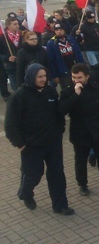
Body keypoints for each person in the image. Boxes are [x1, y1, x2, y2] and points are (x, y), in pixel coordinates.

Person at [5, 63, 74, 215]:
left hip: (53, 141)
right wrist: (20, 144)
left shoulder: (50, 91)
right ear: (31, 77)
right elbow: (10, 125)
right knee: (33, 175)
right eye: (40, 77)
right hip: (31, 145)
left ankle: (60, 205)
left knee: (57, 174)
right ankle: (26, 193)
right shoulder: (19, 96)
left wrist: (60, 129)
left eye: (45, 76)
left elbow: (58, 112)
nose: (44, 79)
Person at [59, 63, 99, 208]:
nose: (76, 80)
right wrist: (75, 94)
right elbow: (62, 110)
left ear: (87, 77)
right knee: (80, 161)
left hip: (98, 132)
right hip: (80, 133)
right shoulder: (68, 92)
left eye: (80, 78)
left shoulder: (97, 88)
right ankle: (82, 184)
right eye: (74, 77)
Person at [46, 22, 85, 91]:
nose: (59, 31)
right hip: (63, 72)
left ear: (64, 30)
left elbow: (78, 53)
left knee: (81, 87)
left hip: (75, 68)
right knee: (68, 90)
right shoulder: (51, 43)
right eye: (57, 30)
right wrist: (54, 75)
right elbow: (51, 61)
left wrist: (83, 65)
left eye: (61, 29)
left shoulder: (70, 39)